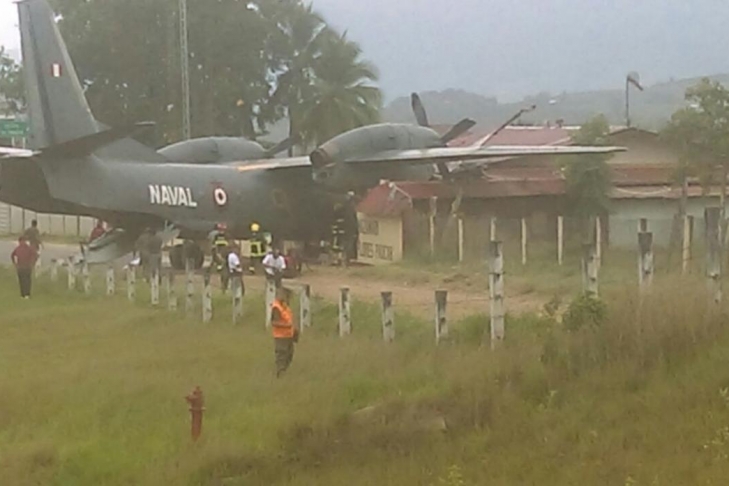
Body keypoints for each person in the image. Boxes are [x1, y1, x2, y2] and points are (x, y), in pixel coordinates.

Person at [271, 286, 298, 377]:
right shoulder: (276, 307)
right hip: (280, 336)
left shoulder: (284, 306)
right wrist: (287, 326)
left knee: (289, 355)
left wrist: (294, 329)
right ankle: (280, 373)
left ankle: (284, 372)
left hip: (288, 335)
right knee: (282, 355)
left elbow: (289, 319)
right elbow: (274, 322)